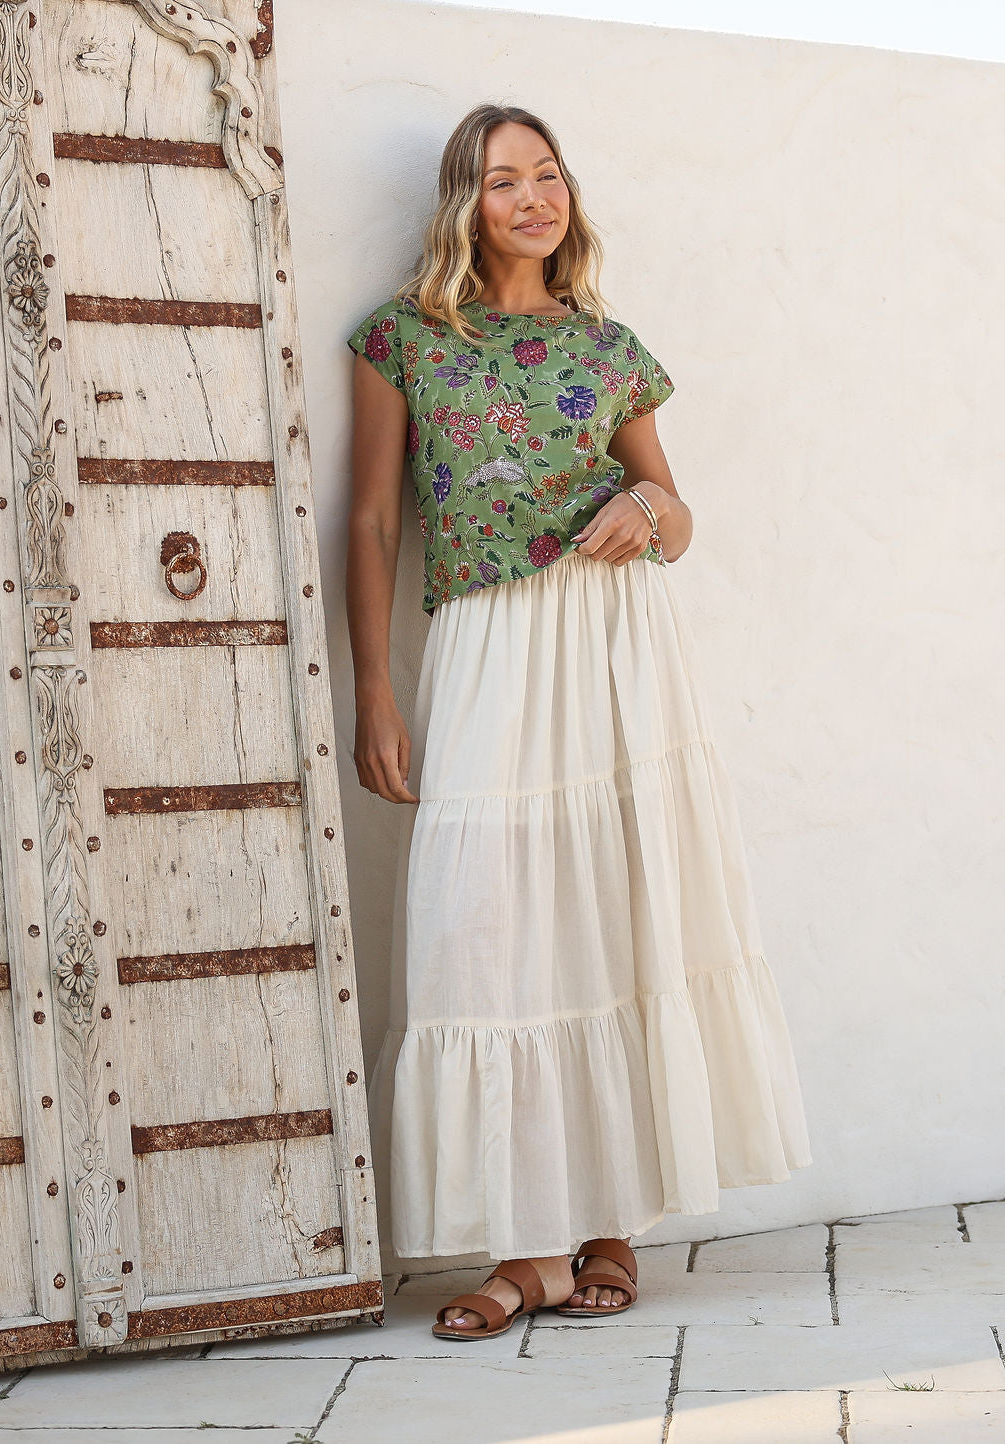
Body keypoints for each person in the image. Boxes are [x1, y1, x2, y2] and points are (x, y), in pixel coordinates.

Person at [345, 103, 811, 1340]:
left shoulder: (607, 347)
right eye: (504, 181)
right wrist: (375, 690)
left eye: (547, 176)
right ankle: (524, 1246)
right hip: (489, 644)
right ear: (467, 203)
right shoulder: (404, 341)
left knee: (615, 907)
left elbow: (674, 501)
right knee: (491, 927)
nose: (533, 199)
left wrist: (646, 517)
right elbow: (375, 523)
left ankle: (608, 1227)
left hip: (614, 649)